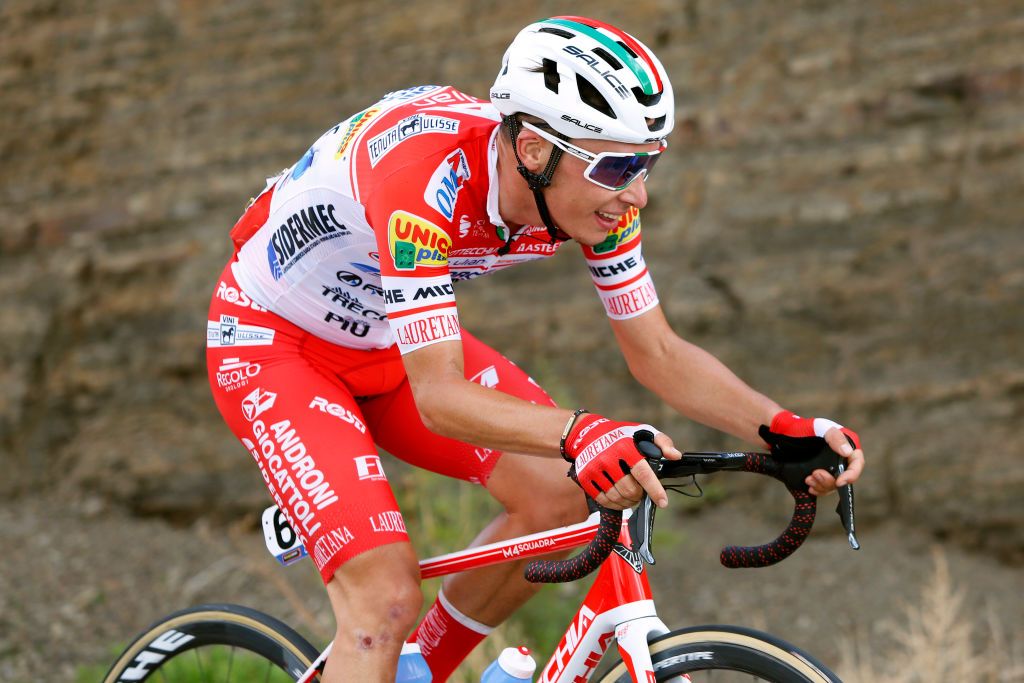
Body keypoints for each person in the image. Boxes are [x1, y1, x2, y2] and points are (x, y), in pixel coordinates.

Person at [205, 15, 865, 682]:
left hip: (386, 341)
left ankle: (420, 669)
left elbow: (657, 353)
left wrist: (780, 426)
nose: (634, 193)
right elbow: (439, 398)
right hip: (275, 347)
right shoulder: (422, 187)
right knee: (383, 598)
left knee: (558, 495)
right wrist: (582, 431)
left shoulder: (597, 202)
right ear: (531, 151)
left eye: (645, 164)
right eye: (614, 165)